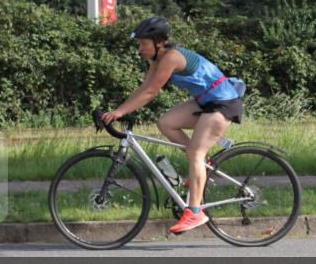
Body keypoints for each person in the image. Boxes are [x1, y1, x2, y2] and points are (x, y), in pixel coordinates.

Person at [101, 16, 245, 233]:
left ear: (158, 42)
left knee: (194, 153)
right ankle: (201, 166)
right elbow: (144, 87)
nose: (139, 49)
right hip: (207, 101)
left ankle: (195, 212)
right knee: (166, 122)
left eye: (143, 44)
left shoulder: (171, 58)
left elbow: (151, 92)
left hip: (223, 104)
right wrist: (119, 110)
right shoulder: (156, 59)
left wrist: (119, 112)